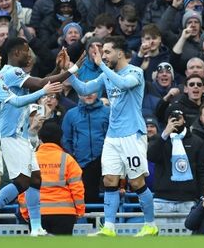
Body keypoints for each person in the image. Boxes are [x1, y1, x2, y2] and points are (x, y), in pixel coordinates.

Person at [0, 38, 73, 235]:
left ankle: (36, 228)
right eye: (27, 50)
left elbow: (40, 85)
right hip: (10, 134)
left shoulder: (10, 74)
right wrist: (76, 66)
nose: (30, 54)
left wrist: (57, 69)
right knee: (22, 182)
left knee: (36, 179)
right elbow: (44, 84)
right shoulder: (12, 72)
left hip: (20, 134)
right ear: (17, 52)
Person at [67, 35, 158, 237]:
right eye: (102, 52)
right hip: (113, 136)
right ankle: (109, 227)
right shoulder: (107, 74)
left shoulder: (136, 72)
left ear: (119, 52)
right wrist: (69, 71)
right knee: (109, 180)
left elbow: (124, 84)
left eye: (107, 51)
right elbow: (83, 88)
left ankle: (151, 224)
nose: (103, 55)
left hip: (133, 134)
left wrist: (102, 66)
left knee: (136, 182)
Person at [18, 121, 85, 235]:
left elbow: (22, 190)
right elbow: (77, 188)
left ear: (40, 138)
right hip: (65, 213)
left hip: (37, 214)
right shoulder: (67, 159)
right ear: (60, 138)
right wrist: (79, 211)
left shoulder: (30, 159)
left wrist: (25, 212)